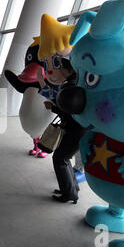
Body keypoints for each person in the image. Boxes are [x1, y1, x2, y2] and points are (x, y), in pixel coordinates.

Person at [37, 15, 86, 204]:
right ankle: (72, 189)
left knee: (60, 159)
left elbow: (71, 110)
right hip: (76, 128)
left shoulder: (71, 85)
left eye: (59, 65)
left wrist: (54, 107)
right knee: (63, 159)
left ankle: (69, 194)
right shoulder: (73, 83)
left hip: (76, 129)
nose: (54, 69)